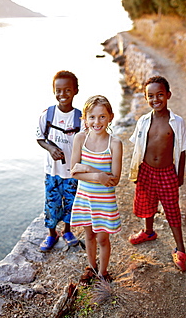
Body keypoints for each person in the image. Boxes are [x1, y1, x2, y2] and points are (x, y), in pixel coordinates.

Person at [128, 75, 186, 272]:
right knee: (147, 202)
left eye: (160, 95)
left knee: (172, 209)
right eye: (150, 96)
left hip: (166, 172)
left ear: (168, 95)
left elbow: (182, 150)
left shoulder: (176, 122)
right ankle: (148, 232)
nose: (155, 99)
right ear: (146, 98)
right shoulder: (143, 121)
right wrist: (136, 170)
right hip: (146, 170)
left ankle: (180, 249)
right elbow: (138, 147)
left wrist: (180, 175)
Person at [70, 95, 122, 284]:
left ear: (110, 117)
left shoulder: (114, 143)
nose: (97, 122)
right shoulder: (80, 139)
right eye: (92, 117)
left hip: (104, 201)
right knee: (89, 236)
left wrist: (89, 169)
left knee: (102, 239)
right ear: (84, 118)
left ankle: (103, 272)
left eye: (102, 117)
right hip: (85, 197)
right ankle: (91, 267)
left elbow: (114, 179)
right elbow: (73, 171)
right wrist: (97, 175)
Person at [36, 70, 82, 251]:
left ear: (76, 91)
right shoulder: (47, 115)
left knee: (71, 202)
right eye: (59, 90)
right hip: (52, 171)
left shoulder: (80, 117)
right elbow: (40, 138)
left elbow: (86, 142)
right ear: (54, 91)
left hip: (72, 171)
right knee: (51, 202)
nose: (63, 94)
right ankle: (51, 233)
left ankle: (67, 230)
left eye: (67, 90)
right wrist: (51, 148)